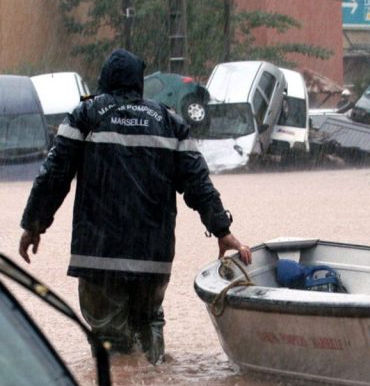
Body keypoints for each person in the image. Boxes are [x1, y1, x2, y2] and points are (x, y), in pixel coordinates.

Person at [19, 49, 252, 365]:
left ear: (105, 81)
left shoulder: (85, 116)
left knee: (111, 345)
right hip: (151, 260)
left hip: (99, 257)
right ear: (139, 83)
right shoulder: (170, 122)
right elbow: (197, 181)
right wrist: (222, 229)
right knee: (148, 330)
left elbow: (54, 175)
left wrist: (34, 224)